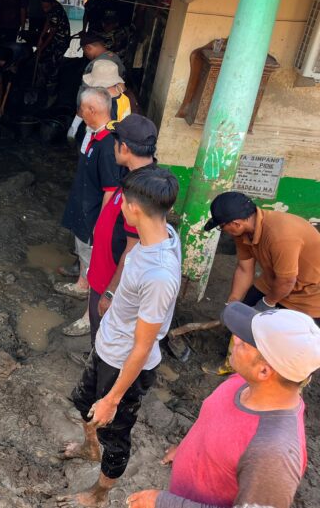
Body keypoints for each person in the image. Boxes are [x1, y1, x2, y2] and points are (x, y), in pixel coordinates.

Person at [58, 166, 181, 508]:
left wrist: (113, 397)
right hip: (108, 347)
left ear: (134, 208)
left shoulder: (160, 275)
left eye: (121, 200)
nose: (118, 204)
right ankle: (88, 446)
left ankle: (99, 494)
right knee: (84, 403)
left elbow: (142, 348)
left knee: (115, 435)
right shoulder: (161, 232)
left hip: (124, 363)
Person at [127, 302, 320, 508]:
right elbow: (217, 426)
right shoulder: (244, 382)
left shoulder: (273, 457)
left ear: (264, 371)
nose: (235, 339)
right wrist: (189, 451)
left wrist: (163, 502)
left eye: (245, 342)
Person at [203, 191, 320, 375]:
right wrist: (233, 302)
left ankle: (272, 376)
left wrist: (267, 303)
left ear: (236, 223)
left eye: (221, 227)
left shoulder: (281, 235)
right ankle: (234, 365)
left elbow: (287, 280)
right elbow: (244, 268)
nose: (223, 231)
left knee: (289, 345)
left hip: (309, 293)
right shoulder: (243, 231)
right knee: (243, 317)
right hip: (273, 279)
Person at [80, 115, 157, 352]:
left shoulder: (141, 191)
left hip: (112, 282)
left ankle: (99, 371)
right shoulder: (132, 177)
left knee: (106, 334)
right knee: (99, 329)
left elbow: (133, 249)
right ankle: (96, 359)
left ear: (124, 147)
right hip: (103, 273)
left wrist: (111, 292)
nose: (114, 147)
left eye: (116, 142)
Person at [58, 88, 125, 304]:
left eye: (82, 110)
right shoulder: (95, 136)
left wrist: (101, 223)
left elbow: (110, 189)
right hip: (84, 205)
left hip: (94, 212)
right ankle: (81, 283)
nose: (80, 113)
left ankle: (90, 302)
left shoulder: (108, 145)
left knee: (91, 255)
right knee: (82, 250)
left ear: (92, 110)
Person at [35, 0, 71, 72]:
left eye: (46, 7)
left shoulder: (56, 13)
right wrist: (41, 37)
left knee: (53, 65)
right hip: (54, 39)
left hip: (61, 41)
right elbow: (48, 22)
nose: (44, 10)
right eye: (43, 7)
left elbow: (51, 34)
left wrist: (41, 48)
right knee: (44, 58)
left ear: (52, 3)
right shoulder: (51, 8)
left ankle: (51, 83)